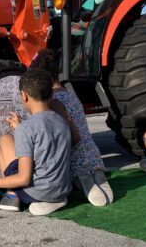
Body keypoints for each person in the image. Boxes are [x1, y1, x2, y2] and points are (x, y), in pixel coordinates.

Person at [0, 68, 72, 216]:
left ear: (24, 96)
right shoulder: (61, 121)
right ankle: (54, 199)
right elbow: (46, 139)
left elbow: (23, 179)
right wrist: (20, 127)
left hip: (36, 193)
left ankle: (12, 195)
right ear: (51, 94)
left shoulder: (27, 128)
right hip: (62, 190)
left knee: (4, 140)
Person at [29, 49, 113, 206]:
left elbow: (73, 135)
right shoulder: (70, 94)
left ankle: (86, 183)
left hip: (76, 156)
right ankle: (98, 178)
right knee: (96, 177)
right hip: (92, 153)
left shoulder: (53, 102)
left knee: (84, 180)